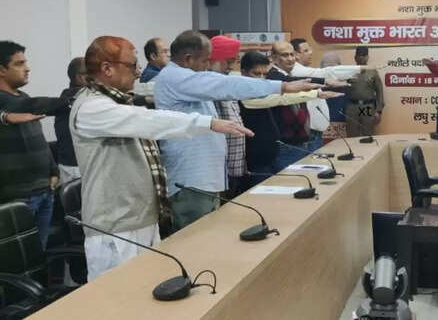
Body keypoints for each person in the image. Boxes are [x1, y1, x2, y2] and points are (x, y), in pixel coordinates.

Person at [69, 35, 250, 280]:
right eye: (132, 66)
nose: (137, 73)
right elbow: (151, 121)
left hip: (141, 218)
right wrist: (209, 123)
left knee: (150, 288)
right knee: (120, 296)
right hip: (117, 227)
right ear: (107, 68)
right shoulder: (92, 107)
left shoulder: (118, 101)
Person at [154, 31, 319, 230]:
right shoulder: (175, 77)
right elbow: (226, 84)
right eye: (205, 60)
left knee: (208, 235)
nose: (207, 66)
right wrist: (282, 86)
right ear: (188, 58)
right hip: (191, 179)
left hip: (205, 177)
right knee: (195, 238)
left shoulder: (189, 77)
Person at [0, 40, 68, 250]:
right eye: (19, 64)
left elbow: (38, 138)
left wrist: (53, 170)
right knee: (18, 259)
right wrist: (71, 100)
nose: (27, 68)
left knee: (39, 255)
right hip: (17, 197)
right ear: (1, 70)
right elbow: (31, 105)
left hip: (44, 190)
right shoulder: (11, 102)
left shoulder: (24, 98)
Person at [239, 51, 341, 188]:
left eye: (264, 74)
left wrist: (317, 92)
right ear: (243, 72)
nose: (262, 78)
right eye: (256, 74)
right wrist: (316, 93)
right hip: (256, 158)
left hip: (272, 152)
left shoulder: (262, 88)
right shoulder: (242, 93)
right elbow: (280, 99)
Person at [266, 41, 329, 171]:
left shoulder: (289, 75)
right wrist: (323, 82)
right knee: (291, 180)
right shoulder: (274, 76)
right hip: (286, 145)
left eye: (292, 54)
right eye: (285, 55)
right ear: (274, 57)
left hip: (299, 142)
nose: (290, 59)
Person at [290, 38, 361, 151]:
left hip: (318, 131)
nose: (311, 52)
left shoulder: (310, 73)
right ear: (296, 55)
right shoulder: (299, 73)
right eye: (306, 50)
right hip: (309, 133)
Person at [208, 35, 247, 198]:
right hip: (218, 166)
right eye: (228, 61)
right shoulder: (208, 85)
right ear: (213, 59)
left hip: (235, 163)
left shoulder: (226, 81)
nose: (231, 67)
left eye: (234, 61)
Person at [55, 57, 86, 185]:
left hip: (73, 165)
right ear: (80, 77)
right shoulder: (79, 98)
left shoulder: (68, 96)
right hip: (76, 168)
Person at [345, 46, 385, 138]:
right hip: (352, 107)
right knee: (352, 135)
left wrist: (379, 110)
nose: (361, 58)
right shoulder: (349, 71)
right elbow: (343, 88)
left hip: (367, 106)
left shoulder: (372, 72)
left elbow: (379, 91)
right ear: (355, 57)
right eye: (359, 55)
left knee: (367, 134)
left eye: (363, 55)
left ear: (367, 57)